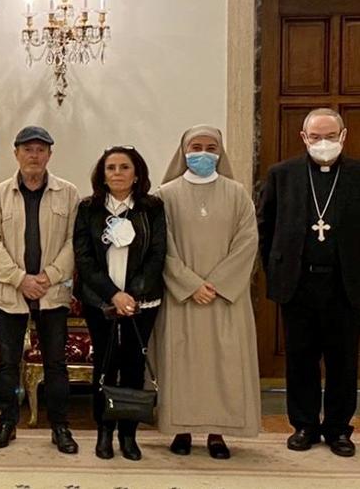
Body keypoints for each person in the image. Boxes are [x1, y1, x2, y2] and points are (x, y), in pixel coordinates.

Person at [258, 108, 360, 458]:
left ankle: (338, 429)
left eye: (330, 136)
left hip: (345, 285)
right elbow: (265, 228)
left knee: (343, 361)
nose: (323, 142)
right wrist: (276, 272)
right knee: (299, 358)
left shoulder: (358, 175)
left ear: (343, 136)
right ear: (304, 138)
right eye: (315, 137)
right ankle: (303, 425)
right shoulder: (281, 175)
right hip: (298, 284)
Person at [154, 125, 260, 459]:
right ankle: (181, 430)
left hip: (226, 298)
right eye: (196, 146)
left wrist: (216, 284)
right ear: (183, 150)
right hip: (182, 297)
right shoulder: (165, 195)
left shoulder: (237, 192)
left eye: (210, 147)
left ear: (220, 152)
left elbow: (247, 242)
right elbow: (161, 247)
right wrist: (190, 285)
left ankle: (218, 433)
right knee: (181, 365)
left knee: (225, 365)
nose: (203, 153)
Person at [0, 125, 80, 453]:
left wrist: (47, 277)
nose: (34, 155)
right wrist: (19, 279)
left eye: (40, 149)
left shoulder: (68, 193)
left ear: (50, 154)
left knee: (55, 363)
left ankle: (61, 427)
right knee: (8, 364)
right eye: (27, 149)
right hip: (11, 292)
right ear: (16, 154)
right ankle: (7, 422)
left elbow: (73, 242)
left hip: (52, 293)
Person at [73, 146, 166, 461]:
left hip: (142, 302)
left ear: (136, 173)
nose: (116, 173)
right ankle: (104, 432)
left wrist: (134, 295)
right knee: (105, 365)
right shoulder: (88, 208)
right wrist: (114, 295)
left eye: (123, 167)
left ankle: (129, 435)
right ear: (102, 174)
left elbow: (156, 254)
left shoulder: (152, 208)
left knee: (133, 366)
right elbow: (84, 259)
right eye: (110, 167)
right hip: (101, 301)